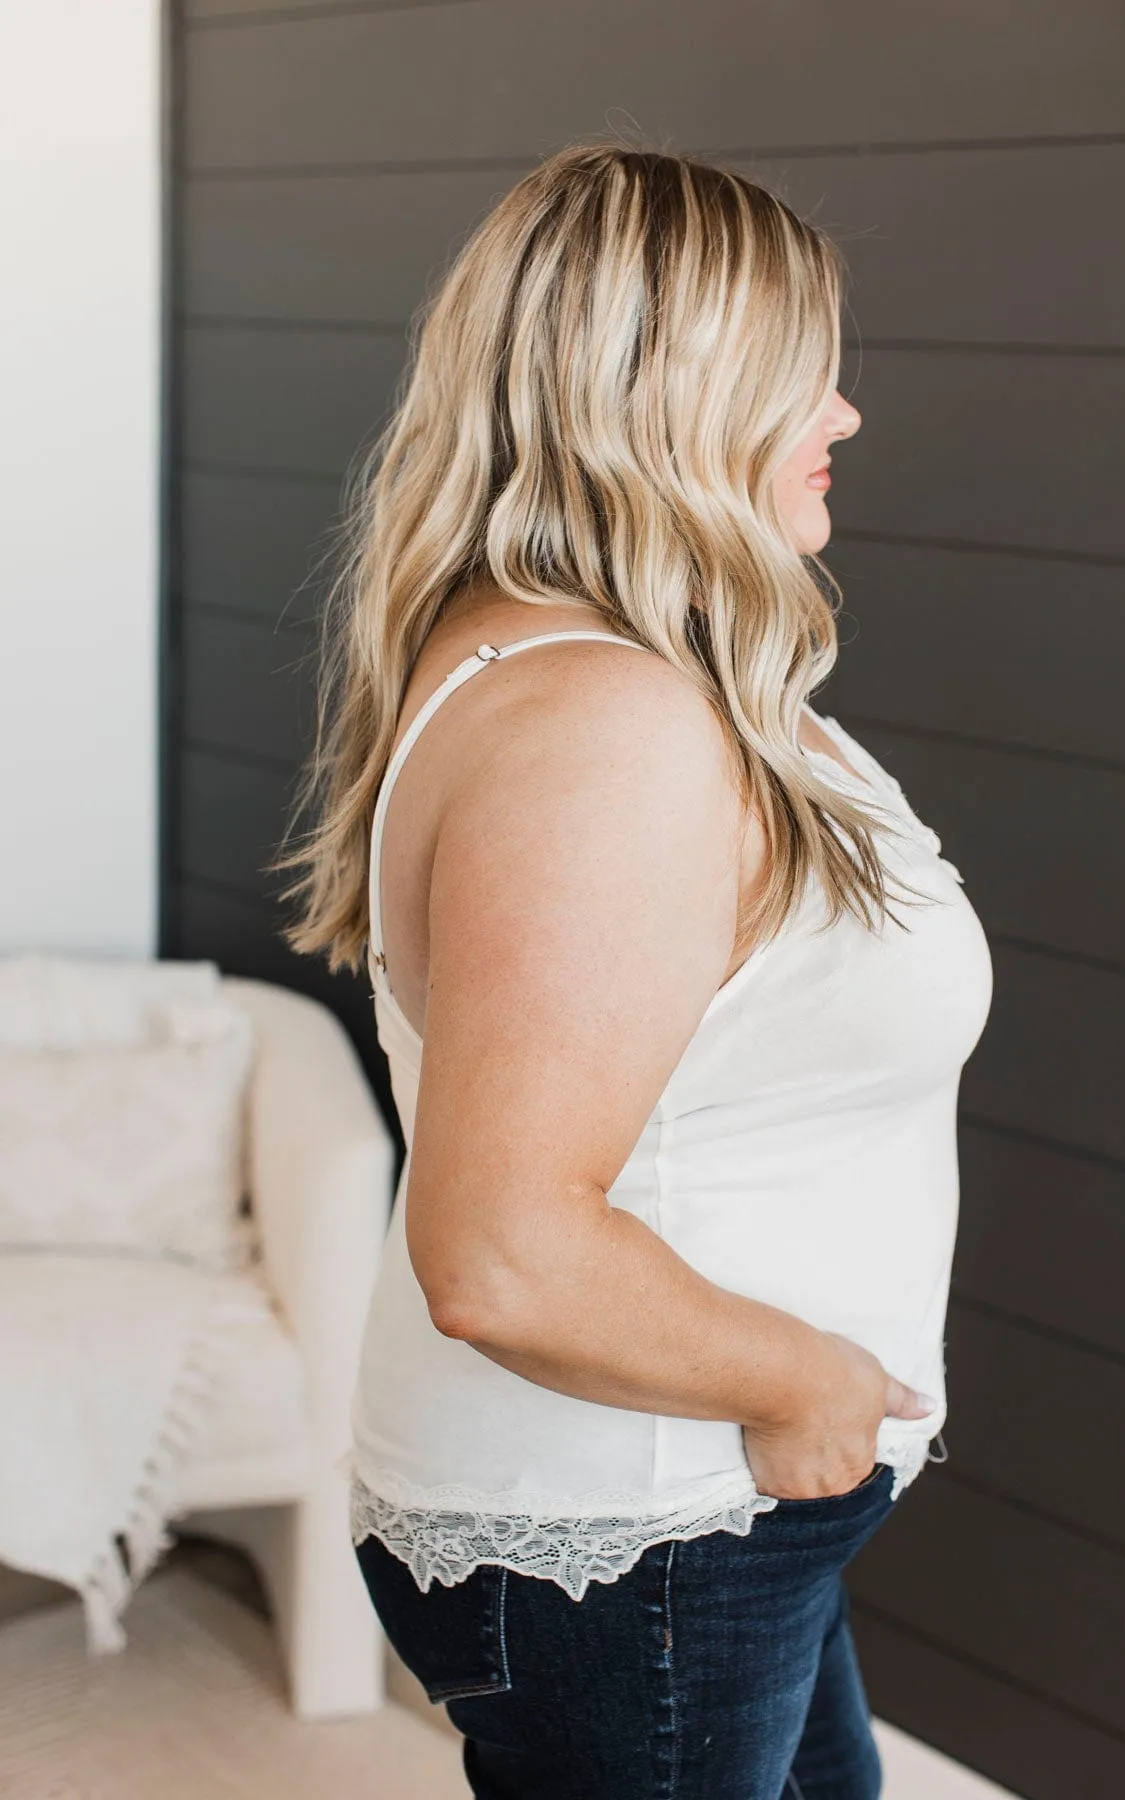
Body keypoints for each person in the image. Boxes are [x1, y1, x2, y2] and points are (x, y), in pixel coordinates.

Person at [275, 142, 993, 1800]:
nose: (845, 412)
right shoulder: (606, 728)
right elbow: (507, 1254)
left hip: (704, 1513)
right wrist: (805, 1377)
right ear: (675, 389)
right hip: (652, 1526)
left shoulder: (601, 661)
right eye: (805, 367)